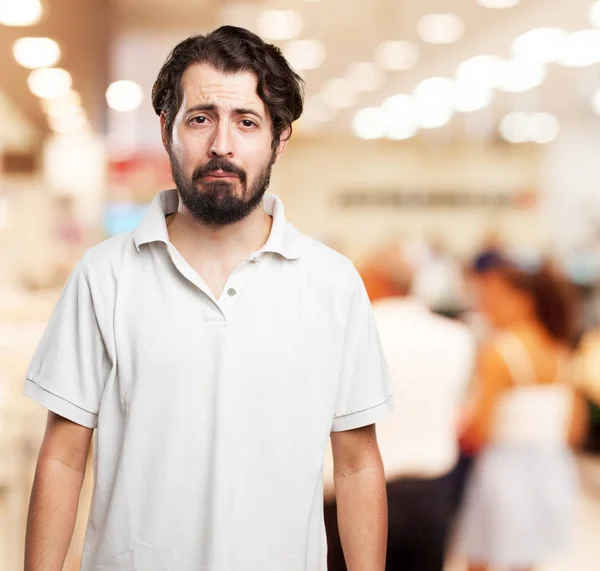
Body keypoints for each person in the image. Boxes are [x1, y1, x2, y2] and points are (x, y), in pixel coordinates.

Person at [22, 26, 392, 571]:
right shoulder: (105, 275)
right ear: (168, 128)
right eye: (201, 118)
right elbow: (63, 454)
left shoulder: (332, 283)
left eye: (246, 121)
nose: (222, 145)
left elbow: (358, 463)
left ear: (278, 138)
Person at [324, 242, 475, 571]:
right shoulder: (456, 336)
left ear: (377, 280)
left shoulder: (345, 332)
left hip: (354, 494)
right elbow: (461, 412)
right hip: (430, 493)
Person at [457, 253, 588, 571]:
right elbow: (574, 428)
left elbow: (480, 429)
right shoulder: (559, 349)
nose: (484, 306)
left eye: (492, 298)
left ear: (523, 300)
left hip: (504, 471)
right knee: (525, 561)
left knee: (482, 556)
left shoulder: (499, 352)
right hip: (553, 469)